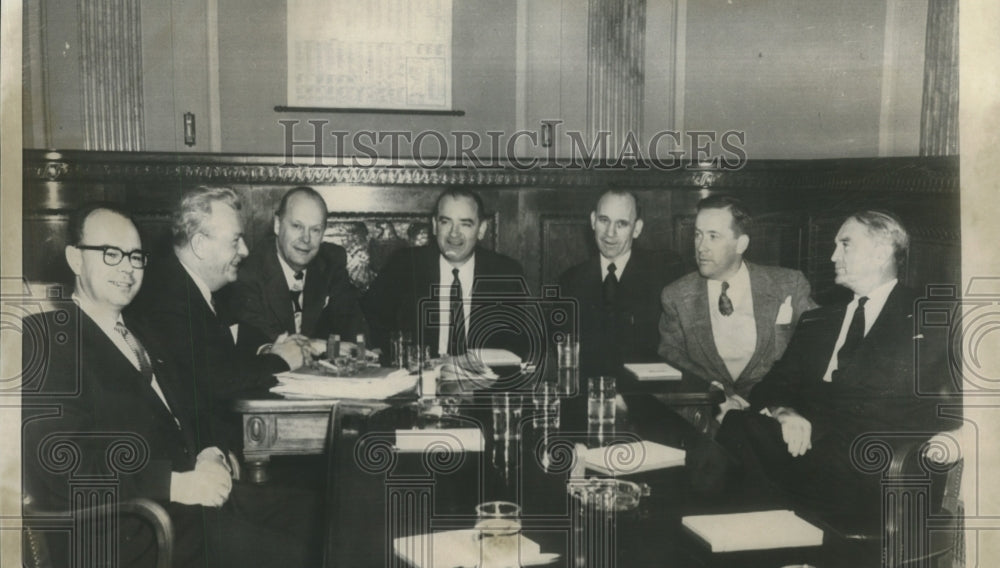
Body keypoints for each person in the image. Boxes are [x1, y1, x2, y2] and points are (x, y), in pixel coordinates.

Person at [22, 204, 319, 568]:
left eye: (136, 257)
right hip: (124, 529)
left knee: (314, 516)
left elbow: (190, 407)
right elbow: (61, 464)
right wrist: (175, 484)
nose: (127, 268)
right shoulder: (47, 340)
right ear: (76, 259)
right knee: (282, 556)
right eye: (110, 254)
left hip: (181, 503)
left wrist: (209, 450)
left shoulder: (141, 330)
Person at [716, 210, 955, 532]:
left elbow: (949, 410)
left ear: (881, 253)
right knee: (735, 425)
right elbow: (771, 386)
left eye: (845, 245)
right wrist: (785, 412)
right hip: (812, 453)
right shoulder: (818, 321)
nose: (832, 256)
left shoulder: (929, 318)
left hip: (875, 468)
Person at [130, 186, 307, 449]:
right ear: (200, 245)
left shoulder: (197, 287)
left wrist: (268, 349)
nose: (245, 250)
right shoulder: (166, 298)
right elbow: (216, 382)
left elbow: (231, 344)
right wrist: (280, 360)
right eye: (235, 240)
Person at [658, 195, 815, 416]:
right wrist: (713, 395)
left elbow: (817, 350)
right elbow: (671, 359)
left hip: (775, 415)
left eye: (713, 236)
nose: (701, 247)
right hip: (710, 417)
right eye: (698, 234)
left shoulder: (788, 285)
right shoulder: (676, 296)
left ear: (741, 244)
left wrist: (782, 407)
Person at [363, 186, 530, 359]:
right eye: (446, 222)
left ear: (481, 229)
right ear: (435, 226)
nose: (454, 234)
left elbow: (516, 345)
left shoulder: (505, 274)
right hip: (419, 372)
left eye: (465, 224)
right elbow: (370, 321)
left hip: (482, 374)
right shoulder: (404, 266)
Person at [222, 186, 367, 354]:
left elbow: (355, 332)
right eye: (297, 226)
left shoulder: (331, 261)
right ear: (277, 225)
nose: (306, 238)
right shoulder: (248, 271)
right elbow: (262, 344)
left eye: (315, 230)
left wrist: (364, 354)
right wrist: (322, 346)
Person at [558, 188, 684, 376]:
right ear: (593, 221)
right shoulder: (570, 281)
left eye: (621, 224)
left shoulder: (663, 280)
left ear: (637, 229)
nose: (610, 233)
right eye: (604, 220)